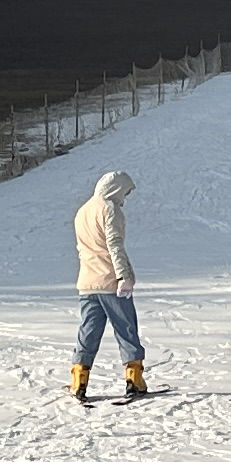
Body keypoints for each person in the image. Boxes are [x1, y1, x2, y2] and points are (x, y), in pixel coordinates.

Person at [70, 167, 146, 401]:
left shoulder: (82, 211)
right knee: (126, 329)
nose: (125, 199)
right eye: (125, 193)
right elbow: (114, 244)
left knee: (88, 332)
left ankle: (78, 380)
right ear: (116, 190)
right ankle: (134, 380)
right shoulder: (109, 209)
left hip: (87, 282)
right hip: (111, 282)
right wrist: (123, 276)